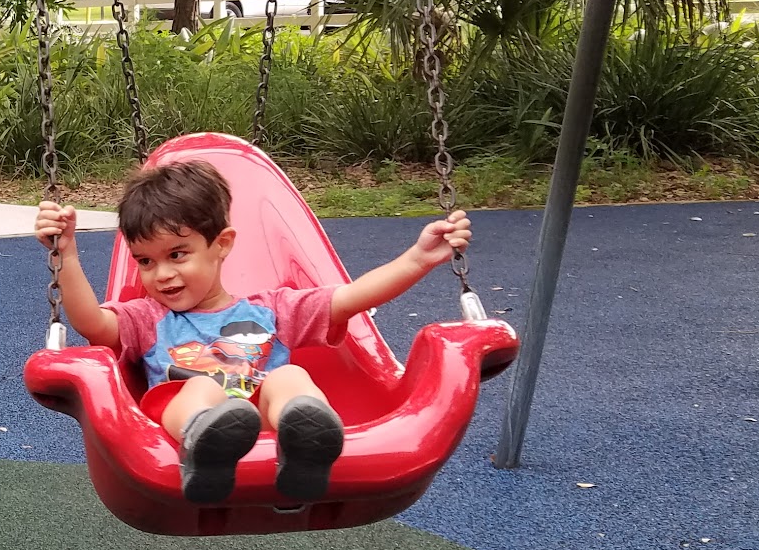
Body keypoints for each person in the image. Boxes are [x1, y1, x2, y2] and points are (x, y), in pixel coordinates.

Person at [35, 160, 471, 504]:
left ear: (222, 244)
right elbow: (91, 323)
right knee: (201, 390)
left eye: (178, 254)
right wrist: (67, 253)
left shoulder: (273, 310)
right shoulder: (147, 318)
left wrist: (417, 259)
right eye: (145, 261)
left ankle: (308, 442)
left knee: (288, 378)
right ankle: (206, 448)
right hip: (182, 418)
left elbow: (351, 298)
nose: (161, 274)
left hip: (257, 420)